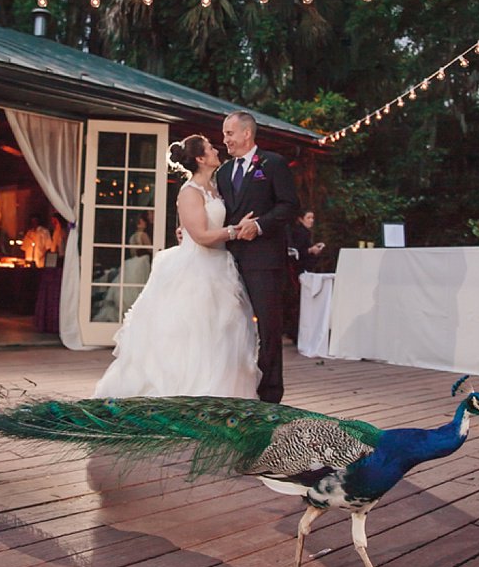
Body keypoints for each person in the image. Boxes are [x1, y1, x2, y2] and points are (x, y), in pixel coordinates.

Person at [95, 134, 261, 398]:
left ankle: (220, 394)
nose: (216, 150)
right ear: (201, 158)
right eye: (210, 148)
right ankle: (187, 392)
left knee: (221, 335)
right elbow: (202, 236)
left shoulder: (216, 187)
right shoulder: (190, 192)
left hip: (221, 267)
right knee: (192, 333)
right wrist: (235, 230)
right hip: (197, 269)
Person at [216, 111, 299, 403]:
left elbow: (289, 205)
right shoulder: (223, 172)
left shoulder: (273, 163)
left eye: (229, 133)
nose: (225, 140)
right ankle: (237, 387)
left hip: (265, 261)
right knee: (231, 326)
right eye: (224, 134)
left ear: (247, 133)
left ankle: (270, 395)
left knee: (268, 327)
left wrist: (260, 225)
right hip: (228, 261)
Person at [284, 209, 326, 342]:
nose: (311, 221)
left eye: (312, 218)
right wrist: (310, 250)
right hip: (298, 269)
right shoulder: (299, 233)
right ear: (301, 219)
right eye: (308, 218)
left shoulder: (303, 232)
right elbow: (297, 251)